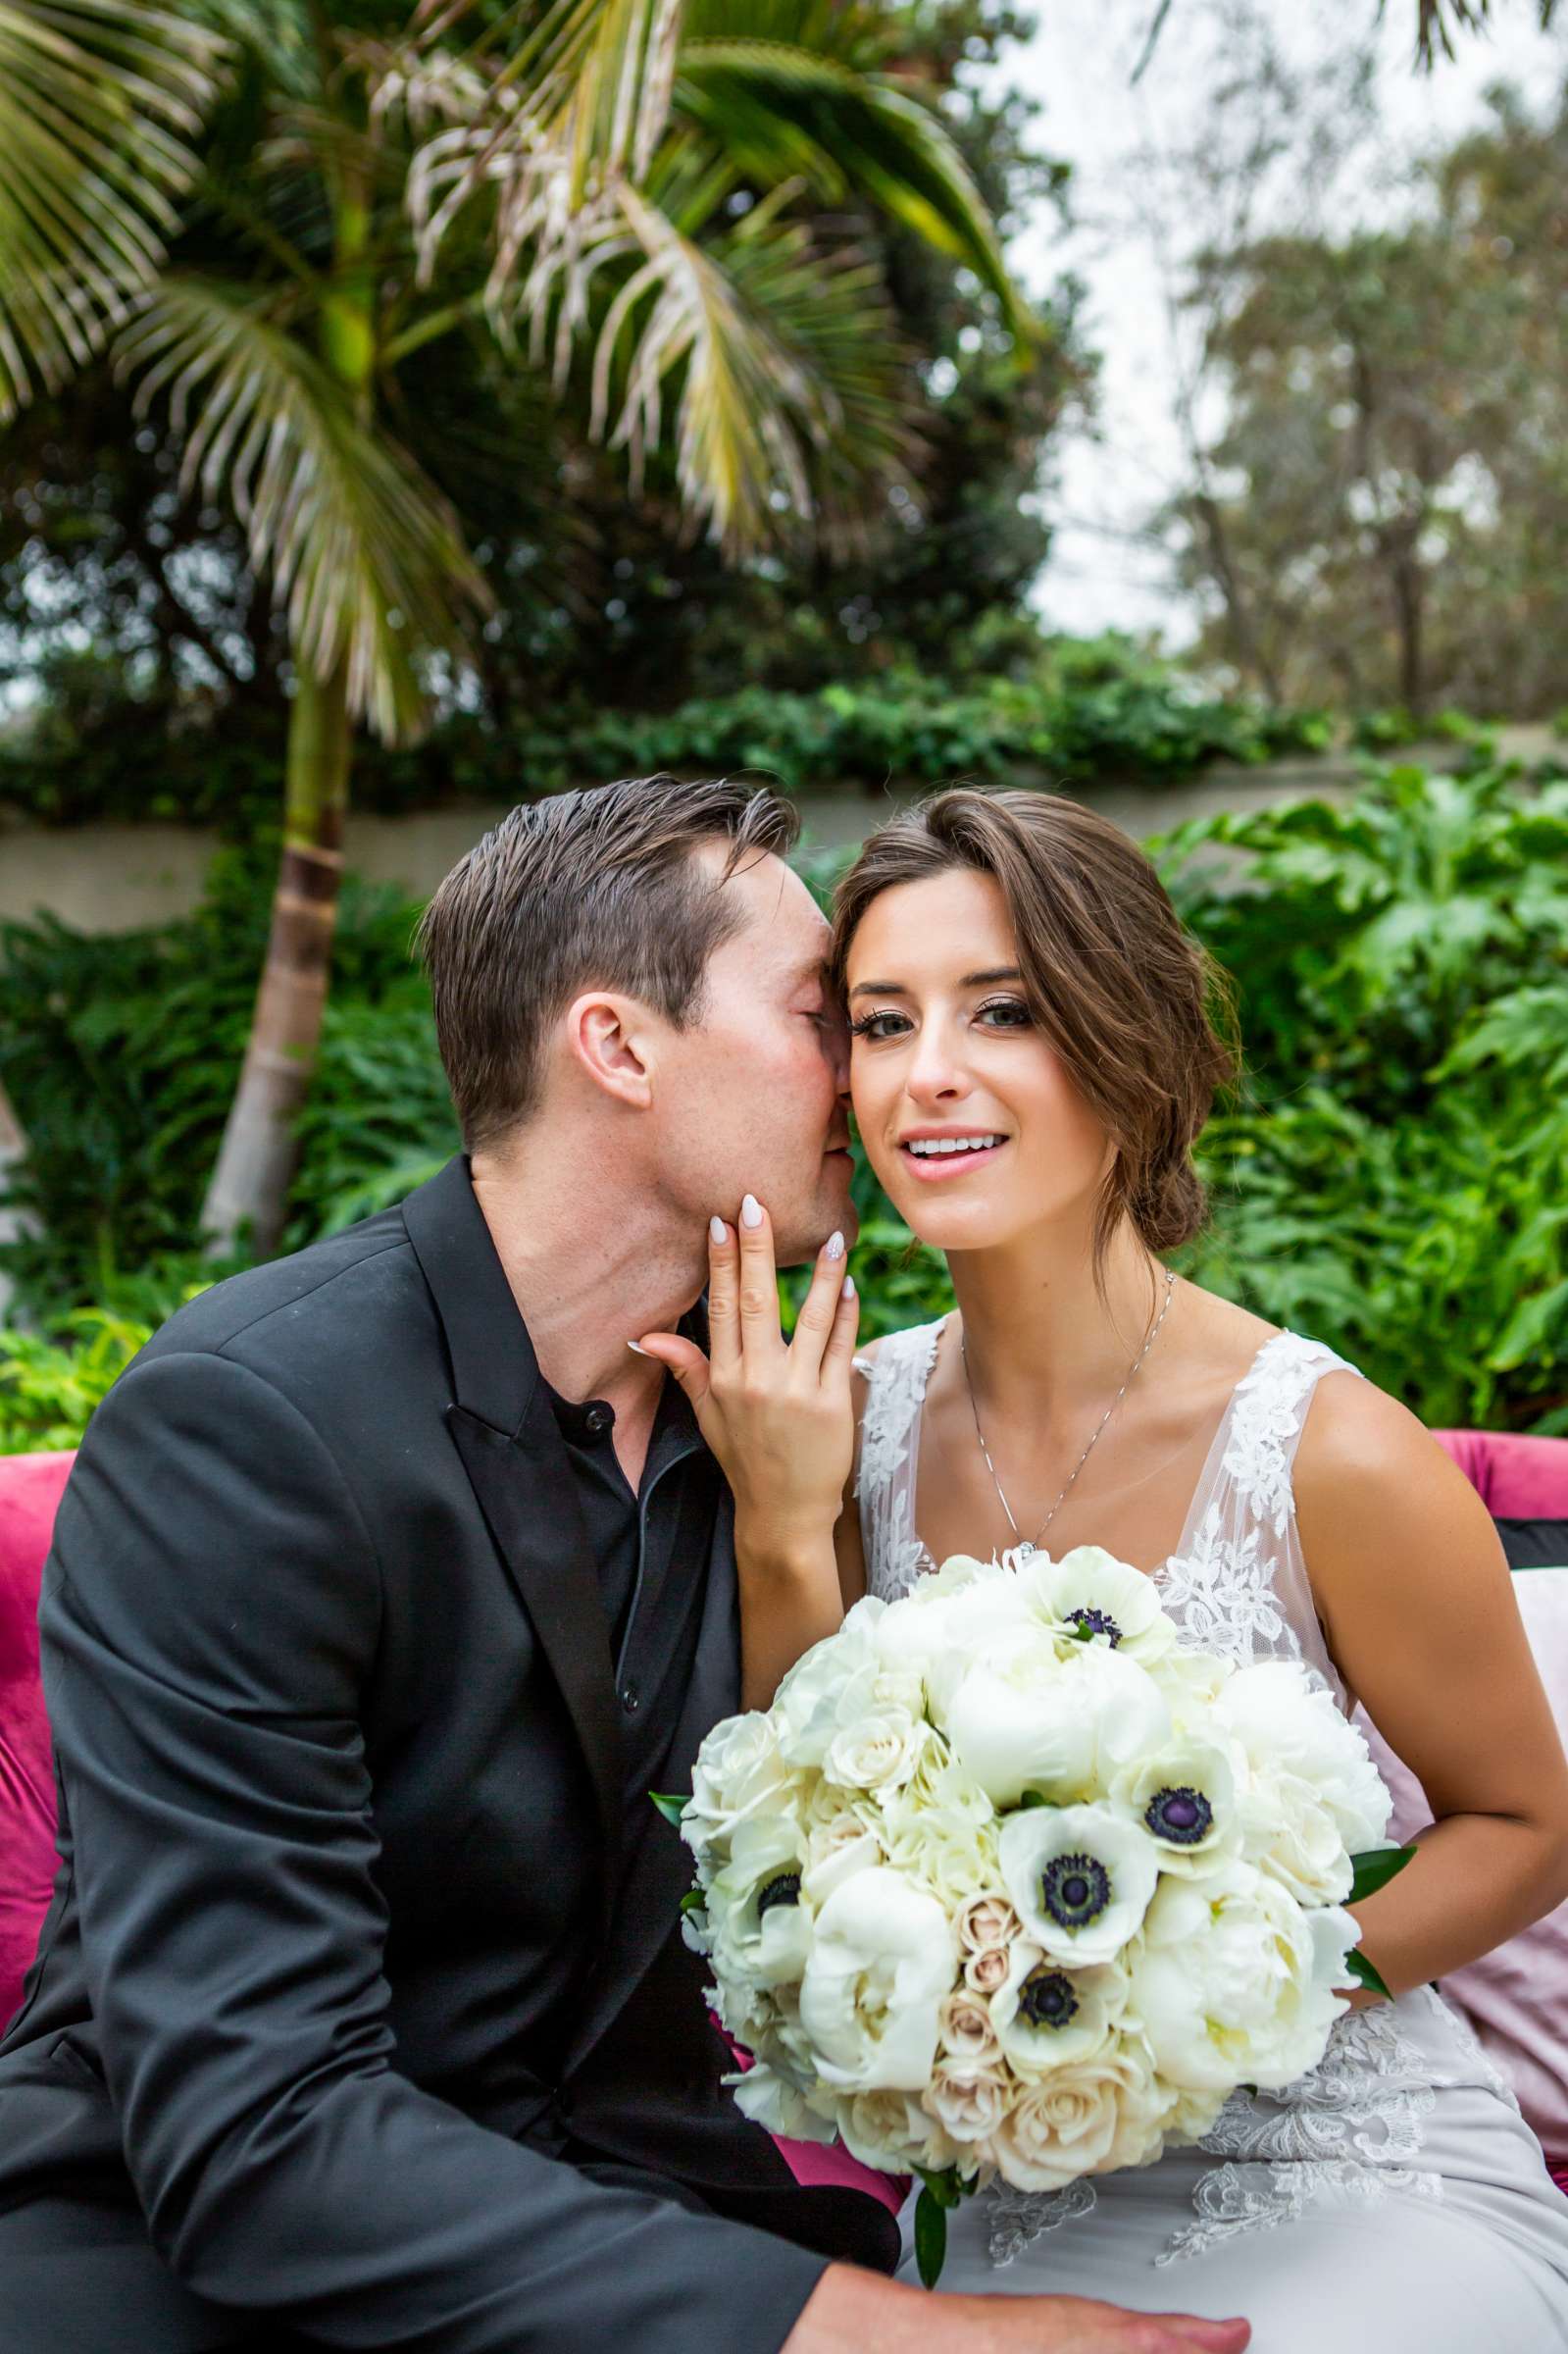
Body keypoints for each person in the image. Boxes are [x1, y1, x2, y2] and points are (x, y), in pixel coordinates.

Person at [0, 774, 1249, 2354]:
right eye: (832, 1017)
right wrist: (876, 2337)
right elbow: (259, 2129)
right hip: (188, 2247)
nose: (875, 1084)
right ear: (618, 1047)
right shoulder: (249, 1426)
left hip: (635, 2206)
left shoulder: (788, 1429)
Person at [637, 786, 1568, 2352]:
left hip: (1357, 2174)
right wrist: (786, 1525)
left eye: (1000, 1011)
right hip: (1026, 2200)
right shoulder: (841, 1424)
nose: (928, 1075)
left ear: (1124, 1037)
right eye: (880, 1023)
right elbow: (805, 1843)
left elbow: (1530, 1825)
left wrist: (1228, 1995)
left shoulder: (1325, 1451)